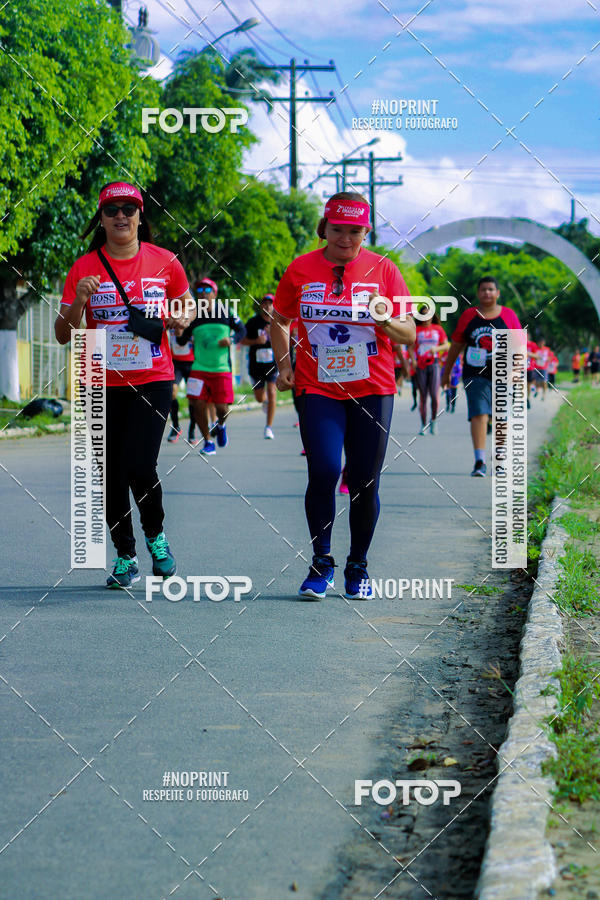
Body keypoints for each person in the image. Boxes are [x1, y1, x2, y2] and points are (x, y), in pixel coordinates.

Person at [271, 191, 415, 600]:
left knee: (364, 481)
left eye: (355, 231)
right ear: (325, 228)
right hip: (318, 387)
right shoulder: (301, 269)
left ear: (366, 231)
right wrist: (284, 363)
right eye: (338, 230)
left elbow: (409, 334)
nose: (346, 239)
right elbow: (279, 320)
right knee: (324, 470)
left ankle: (358, 566)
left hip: (373, 388)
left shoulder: (384, 270)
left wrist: (385, 319)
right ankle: (321, 563)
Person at [55, 181, 193, 588]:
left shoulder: (165, 262)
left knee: (138, 463)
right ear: (101, 218)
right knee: (109, 473)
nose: (121, 216)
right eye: (112, 209)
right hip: (99, 380)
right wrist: (79, 301)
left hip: (153, 378)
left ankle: (157, 537)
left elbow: (186, 305)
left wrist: (184, 317)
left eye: (128, 209)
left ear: (139, 216)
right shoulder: (83, 268)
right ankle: (125, 554)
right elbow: (64, 334)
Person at [441, 276, 522, 477]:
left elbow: (520, 345)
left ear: (497, 293)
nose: (487, 293)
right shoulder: (469, 315)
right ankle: (480, 460)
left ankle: (500, 461)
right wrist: (446, 371)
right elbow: (456, 346)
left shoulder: (509, 315)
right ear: (478, 293)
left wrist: (516, 369)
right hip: (474, 373)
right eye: (483, 289)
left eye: (491, 289)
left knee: (501, 416)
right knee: (479, 414)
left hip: (503, 372)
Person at [177, 277, 246, 455]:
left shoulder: (226, 311)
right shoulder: (193, 316)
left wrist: (231, 340)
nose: (203, 295)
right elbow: (181, 340)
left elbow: (242, 330)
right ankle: (207, 441)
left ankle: (221, 426)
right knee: (197, 404)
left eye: (208, 291)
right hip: (199, 368)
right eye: (200, 292)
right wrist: (179, 329)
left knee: (222, 408)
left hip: (221, 368)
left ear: (215, 294)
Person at [242, 294, 278, 439]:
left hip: (272, 365)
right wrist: (256, 340)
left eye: (270, 304)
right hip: (256, 366)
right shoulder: (252, 322)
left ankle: (268, 427)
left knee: (272, 391)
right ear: (261, 305)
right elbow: (242, 340)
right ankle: (265, 402)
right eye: (265, 303)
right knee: (259, 397)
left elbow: (286, 340)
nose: (268, 306)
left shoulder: (278, 322)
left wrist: (273, 335)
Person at [408, 310, 449, 435]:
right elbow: (410, 347)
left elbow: (447, 345)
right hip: (421, 365)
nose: (426, 317)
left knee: (434, 396)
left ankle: (434, 421)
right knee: (423, 396)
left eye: (428, 314)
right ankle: (423, 425)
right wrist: (413, 361)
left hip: (434, 363)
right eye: (423, 314)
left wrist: (436, 348)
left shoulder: (438, 329)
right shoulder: (416, 329)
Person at [167, 328, 198, 444]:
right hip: (176, 363)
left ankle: (192, 429)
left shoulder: (191, 318)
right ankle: (176, 427)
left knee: (193, 398)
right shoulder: (171, 316)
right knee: (171, 394)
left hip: (192, 363)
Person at [526, 335, 539, 408]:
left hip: (529, 368)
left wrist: (529, 354)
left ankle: (527, 398)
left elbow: (537, 356)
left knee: (528, 385)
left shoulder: (532, 345)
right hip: (519, 368)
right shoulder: (518, 344)